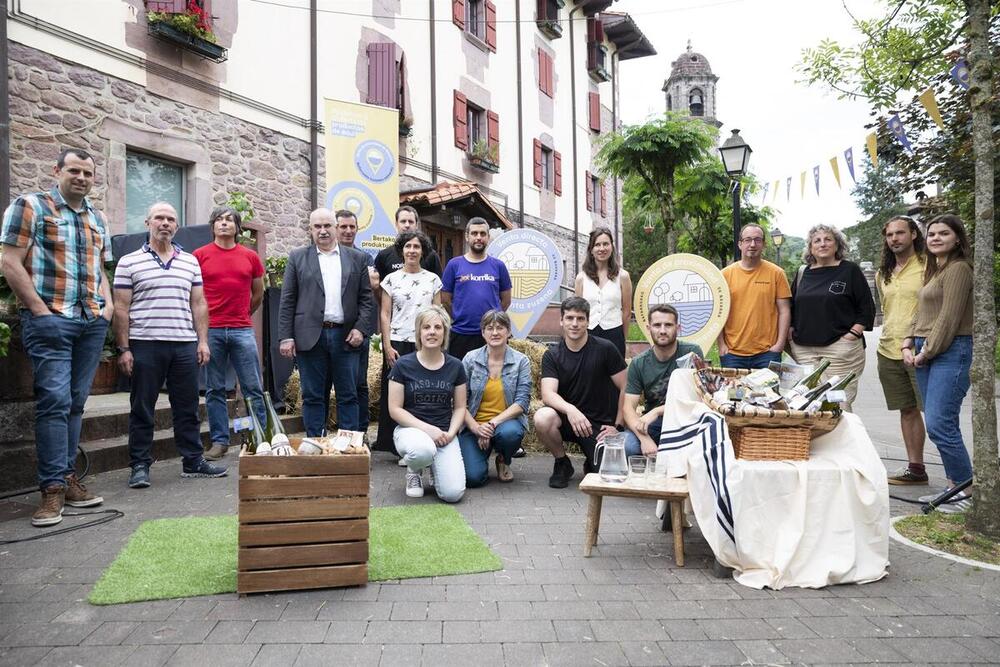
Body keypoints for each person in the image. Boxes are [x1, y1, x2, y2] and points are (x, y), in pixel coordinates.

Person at [1, 148, 111, 526]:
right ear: (57, 171)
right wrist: (39, 310)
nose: (82, 178)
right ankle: (51, 490)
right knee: (55, 401)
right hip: (51, 319)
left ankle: (67, 478)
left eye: (88, 173)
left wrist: (107, 306)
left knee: (77, 403)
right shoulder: (31, 205)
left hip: (90, 320)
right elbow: (9, 260)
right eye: (74, 171)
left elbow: (100, 267)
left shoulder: (97, 216)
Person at [114, 202, 227, 489]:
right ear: (148, 222)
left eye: (170, 219)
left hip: (184, 345)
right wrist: (124, 348)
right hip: (145, 345)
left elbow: (199, 303)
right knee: (142, 407)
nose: (165, 223)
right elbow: (121, 309)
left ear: (176, 226)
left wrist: (202, 341)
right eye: (159, 218)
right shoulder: (128, 262)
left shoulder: (190, 261)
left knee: (187, 406)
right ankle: (140, 465)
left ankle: (193, 461)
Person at [278, 209, 375, 436]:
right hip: (310, 337)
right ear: (310, 229)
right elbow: (287, 299)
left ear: (335, 227)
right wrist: (286, 336)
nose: (322, 231)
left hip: (346, 337)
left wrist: (361, 328)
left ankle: (349, 447)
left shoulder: (357, 258)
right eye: (317, 227)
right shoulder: (297, 257)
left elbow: (366, 299)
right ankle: (316, 445)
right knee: (312, 396)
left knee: (348, 395)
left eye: (327, 226)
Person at [903, 215, 974, 513]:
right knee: (940, 423)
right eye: (931, 233)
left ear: (957, 238)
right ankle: (952, 487)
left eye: (944, 233)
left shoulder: (958, 269)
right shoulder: (937, 270)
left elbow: (949, 317)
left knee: (940, 424)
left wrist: (926, 351)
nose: (935, 238)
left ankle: (966, 492)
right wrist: (907, 341)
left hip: (949, 350)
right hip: (926, 349)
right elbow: (922, 311)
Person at [193, 206, 266, 460]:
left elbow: (258, 292)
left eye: (229, 220)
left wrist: (244, 313)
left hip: (242, 330)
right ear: (213, 226)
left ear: (237, 227)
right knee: (214, 389)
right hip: (210, 331)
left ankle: (262, 437)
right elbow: (193, 295)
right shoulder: (199, 256)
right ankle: (219, 442)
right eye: (219, 220)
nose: (224, 224)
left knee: (253, 387)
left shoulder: (250, 256)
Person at [534, 297, 627, 489]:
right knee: (542, 417)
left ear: (588, 321)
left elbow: (627, 386)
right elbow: (548, 394)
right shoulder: (552, 354)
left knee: (605, 477)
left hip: (600, 426)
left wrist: (618, 426)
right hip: (569, 422)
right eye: (569, 318)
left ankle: (590, 459)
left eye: (580, 318)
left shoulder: (605, 349)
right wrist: (571, 410)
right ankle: (562, 463)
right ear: (561, 321)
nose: (574, 324)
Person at [788, 224, 875, 411]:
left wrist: (853, 333)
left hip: (840, 348)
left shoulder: (849, 270)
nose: (822, 244)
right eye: (817, 240)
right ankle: (815, 441)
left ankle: (844, 440)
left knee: (837, 403)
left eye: (828, 239)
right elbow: (792, 305)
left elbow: (866, 307)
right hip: (804, 350)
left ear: (837, 245)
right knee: (809, 403)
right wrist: (790, 330)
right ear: (810, 247)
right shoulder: (804, 272)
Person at [387, 305, 467, 502]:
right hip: (411, 432)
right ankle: (414, 471)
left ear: (445, 333)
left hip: (443, 435)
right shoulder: (403, 365)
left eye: (438, 327)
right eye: (426, 327)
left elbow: (459, 407)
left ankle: (435, 468)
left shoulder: (455, 366)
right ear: (419, 333)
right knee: (422, 450)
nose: (432, 332)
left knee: (453, 494)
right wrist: (428, 429)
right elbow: (394, 409)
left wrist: (450, 433)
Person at [374, 231, 443, 454]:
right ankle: (393, 444)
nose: (412, 250)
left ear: (423, 251)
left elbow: (438, 313)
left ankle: (421, 440)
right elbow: (385, 314)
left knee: (420, 392)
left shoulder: (433, 279)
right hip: (398, 342)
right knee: (395, 392)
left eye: (416, 247)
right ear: (401, 251)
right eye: (407, 247)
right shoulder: (390, 280)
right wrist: (386, 346)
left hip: (424, 343)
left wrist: (438, 344)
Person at [875, 216, 928, 485]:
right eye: (890, 234)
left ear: (914, 235)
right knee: (907, 410)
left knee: (936, 412)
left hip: (922, 349)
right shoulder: (882, 273)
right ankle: (916, 468)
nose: (894, 238)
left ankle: (958, 477)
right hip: (888, 350)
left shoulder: (929, 266)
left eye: (900, 233)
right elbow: (886, 308)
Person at [459, 310, 532, 486]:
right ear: (483, 333)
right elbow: (460, 403)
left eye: (500, 328)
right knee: (473, 478)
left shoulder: (521, 361)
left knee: (510, 434)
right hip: (474, 425)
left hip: (504, 424)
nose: (495, 333)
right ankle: (480, 458)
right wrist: (477, 428)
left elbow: (522, 402)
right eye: (489, 328)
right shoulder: (470, 359)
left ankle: (503, 458)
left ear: (508, 331)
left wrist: (491, 424)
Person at [623, 304, 703, 457]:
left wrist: (657, 411)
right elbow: (627, 409)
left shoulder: (692, 353)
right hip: (653, 425)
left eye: (668, 325)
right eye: (657, 325)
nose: (662, 330)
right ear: (648, 328)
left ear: (678, 328)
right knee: (628, 446)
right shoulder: (639, 363)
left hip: (686, 421)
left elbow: (697, 398)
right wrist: (644, 438)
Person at [718, 224, 791, 369]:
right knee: (734, 392)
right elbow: (717, 312)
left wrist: (780, 344)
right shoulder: (724, 275)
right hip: (732, 354)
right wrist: (721, 345)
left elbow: (784, 310)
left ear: (763, 244)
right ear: (740, 244)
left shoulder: (776, 273)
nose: (752, 244)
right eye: (748, 240)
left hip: (767, 353)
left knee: (767, 392)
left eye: (757, 240)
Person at [441, 217, 512, 360]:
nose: (478, 237)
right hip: (461, 334)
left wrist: (492, 321)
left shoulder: (498, 266)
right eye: (474, 233)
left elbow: (506, 300)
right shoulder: (454, 265)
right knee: (461, 379)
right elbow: (445, 300)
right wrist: (458, 316)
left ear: (488, 237)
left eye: (482, 234)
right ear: (467, 237)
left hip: (492, 335)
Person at [334, 210, 379, 438]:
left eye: (352, 227)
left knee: (359, 384)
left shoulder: (365, 257)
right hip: (331, 329)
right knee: (337, 388)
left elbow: (373, 283)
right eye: (343, 227)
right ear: (335, 228)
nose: (348, 231)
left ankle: (360, 436)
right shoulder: (325, 256)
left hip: (359, 330)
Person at [575, 227, 632, 358]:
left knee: (614, 376)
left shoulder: (623, 276)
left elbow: (627, 312)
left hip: (615, 334)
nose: (602, 248)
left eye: (606, 244)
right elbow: (578, 311)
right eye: (597, 245)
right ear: (591, 249)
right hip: (588, 335)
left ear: (611, 247)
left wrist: (624, 339)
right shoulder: (581, 278)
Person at [374, 206, 443, 279]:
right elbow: (378, 286)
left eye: (411, 222)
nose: (407, 225)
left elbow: (438, 285)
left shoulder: (430, 255)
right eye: (403, 221)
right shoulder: (384, 255)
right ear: (396, 224)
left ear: (416, 225)